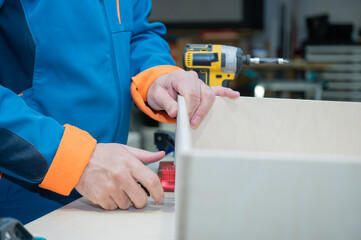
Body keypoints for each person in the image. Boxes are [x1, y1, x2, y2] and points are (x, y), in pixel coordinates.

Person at [0, 0, 240, 223]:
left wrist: (156, 75)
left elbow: (137, 33)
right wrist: (74, 160)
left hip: (111, 181)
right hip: (23, 183)